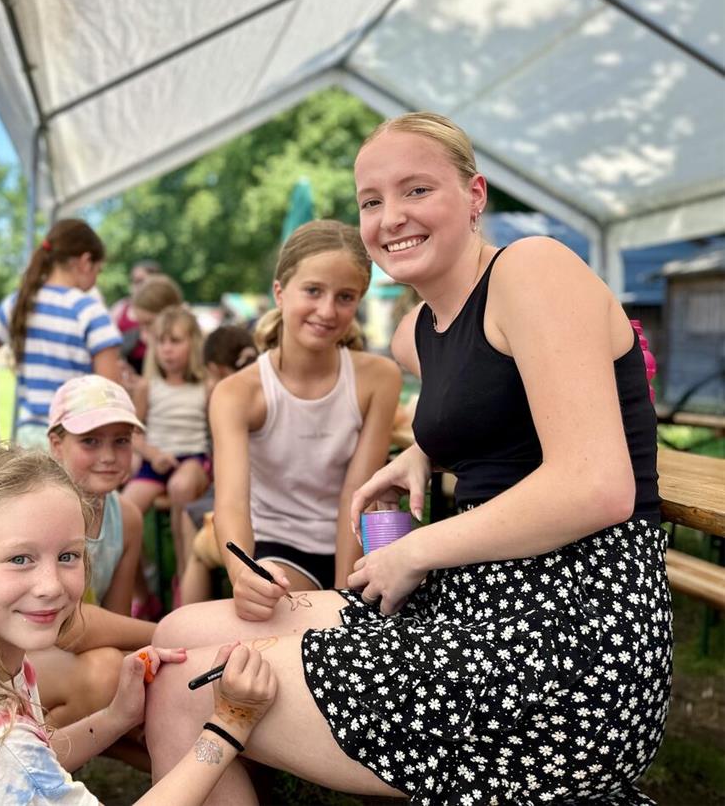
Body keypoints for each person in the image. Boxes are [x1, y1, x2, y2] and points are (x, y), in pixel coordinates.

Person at [144, 113, 671, 804]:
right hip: (470, 598)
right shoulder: (417, 332)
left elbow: (599, 485)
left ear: (476, 195)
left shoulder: (535, 269)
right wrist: (423, 449)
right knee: (177, 638)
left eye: (416, 190)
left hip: (570, 633)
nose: (391, 216)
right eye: (371, 201)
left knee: (194, 685)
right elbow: (494, 396)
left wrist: (414, 551)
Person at [0, 444, 277, 805]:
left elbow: (37, 756)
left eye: (68, 556)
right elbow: (17, 759)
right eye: (20, 559)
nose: (50, 585)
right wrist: (227, 727)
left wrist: (114, 718)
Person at [209, 221, 401, 618]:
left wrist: (343, 593)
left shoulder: (379, 378)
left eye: (345, 297)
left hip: (355, 546)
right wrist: (244, 574)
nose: (327, 310)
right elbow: (231, 503)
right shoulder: (237, 393)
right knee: (278, 621)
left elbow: (357, 494)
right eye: (313, 291)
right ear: (279, 293)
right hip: (277, 550)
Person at [34, 374, 152, 744]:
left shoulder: (127, 518)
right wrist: (172, 634)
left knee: (122, 670)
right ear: (56, 444)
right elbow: (66, 625)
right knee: (105, 672)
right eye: (90, 441)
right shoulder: (43, 508)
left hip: (65, 653)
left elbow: (115, 623)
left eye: (121, 441)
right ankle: (15, 765)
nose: (107, 456)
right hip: (10, 654)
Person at [0, 219, 123, 449]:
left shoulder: (20, 302)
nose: (96, 280)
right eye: (98, 271)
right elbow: (109, 391)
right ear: (85, 262)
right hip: (76, 437)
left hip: (29, 436)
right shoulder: (89, 310)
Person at [124, 306, 212, 601]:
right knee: (124, 511)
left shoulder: (205, 386)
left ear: (193, 344)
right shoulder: (149, 385)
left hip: (192, 458)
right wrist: (151, 453)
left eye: (175, 341)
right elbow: (134, 431)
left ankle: (185, 576)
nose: (167, 349)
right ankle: (141, 590)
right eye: (161, 342)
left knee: (181, 487)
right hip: (156, 460)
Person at [179, 325, 259, 606]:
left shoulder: (228, 397)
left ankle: (190, 601)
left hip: (248, 500)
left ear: (214, 368)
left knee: (195, 532)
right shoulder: (262, 387)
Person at [112, 259, 162, 373]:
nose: (136, 286)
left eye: (141, 281)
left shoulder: (166, 309)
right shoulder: (120, 309)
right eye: (134, 281)